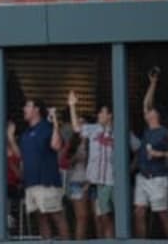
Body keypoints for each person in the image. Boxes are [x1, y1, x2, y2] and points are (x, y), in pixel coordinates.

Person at [134, 71, 168, 238]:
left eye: (151, 111)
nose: (147, 112)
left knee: (162, 213)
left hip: (158, 178)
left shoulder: (165, 132)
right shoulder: (147, 129)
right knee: (139, 212)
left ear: (157, 115)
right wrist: (153, 83)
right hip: (142, 177)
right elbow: (146, 103)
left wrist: (161, 154)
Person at [19, 99, 70, 239]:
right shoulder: (25, 134)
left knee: (57, 216)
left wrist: (55, 122)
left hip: (47, 182)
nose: (24, 108)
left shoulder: (47, 127)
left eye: (27, 106)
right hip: (31, 183)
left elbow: (57, 146)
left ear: (36, 109)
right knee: (40, 219)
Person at [68, 91, 115, 238]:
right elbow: (76, 128)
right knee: (102, 218)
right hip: (95, 182)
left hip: (112, 181)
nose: (99, 115)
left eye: (102, 112)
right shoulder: (93, 128)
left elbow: (136, 150)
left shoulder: (119, 131)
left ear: (110, 115)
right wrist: (72, 106)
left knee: (108, 218)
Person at [65, 117, 90, 240]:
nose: (80, 126)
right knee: (81, 217)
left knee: (98, 217)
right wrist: (74, 158)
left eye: (83, 124)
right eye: (78, 124)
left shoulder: (92, 142)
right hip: (76, 181)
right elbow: (65, 162)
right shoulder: (73, 143)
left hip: (92, 181)